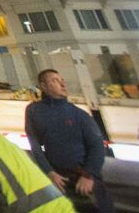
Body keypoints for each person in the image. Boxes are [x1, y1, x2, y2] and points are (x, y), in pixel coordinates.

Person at [24, 69, 112, 212]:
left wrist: (88, 175)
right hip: (58, 181)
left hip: (82, 178)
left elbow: (96, 146)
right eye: (55, 80)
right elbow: (35, 145)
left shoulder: (79, 115)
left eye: (62, 80)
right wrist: (49, 172)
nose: (62, 84)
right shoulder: (34, 111)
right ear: (43, 87)